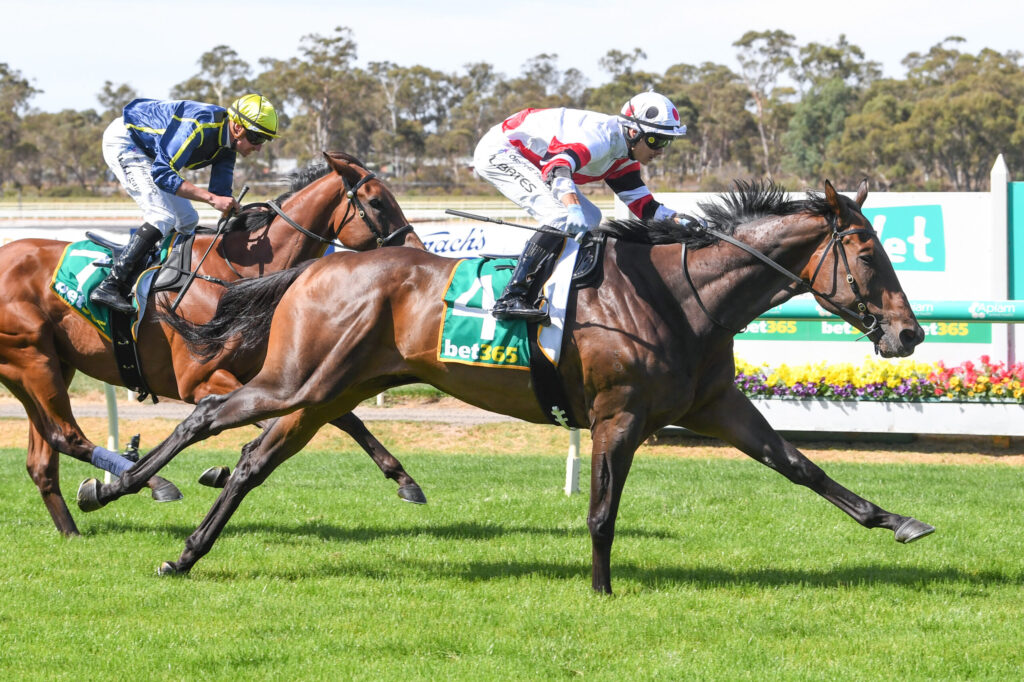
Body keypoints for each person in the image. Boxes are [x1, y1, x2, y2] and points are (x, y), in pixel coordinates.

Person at [473, 91, 689, 321]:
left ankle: (553, 278)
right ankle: (511, 296)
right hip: (502, 150)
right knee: (560, 216)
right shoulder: (599, 138)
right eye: (657, 140)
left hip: (535, 159)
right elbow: (556, 168)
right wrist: (572, 207)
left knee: (592, 217)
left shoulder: (624, 153)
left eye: (667, 141)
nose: (660, 151)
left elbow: (643, 205)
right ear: (634, 132)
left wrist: (677, 219)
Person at [91, 94, 279, 313]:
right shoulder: (199, 124)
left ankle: (157, 275)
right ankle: (111, 284)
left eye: (264, 140)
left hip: (153, 154)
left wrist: (243, 212)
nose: (259, 148)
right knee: (161, 216)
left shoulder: (228, 148)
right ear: (237, 128)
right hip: (128, 141)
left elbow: (220, 194)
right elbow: (163, 173)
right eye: (257, 138)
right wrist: (212, 199)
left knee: (188, 219)